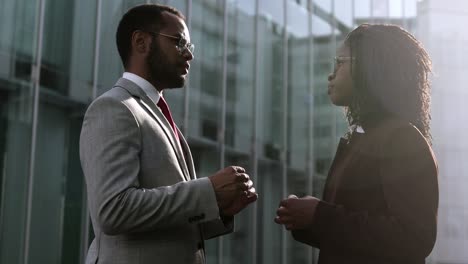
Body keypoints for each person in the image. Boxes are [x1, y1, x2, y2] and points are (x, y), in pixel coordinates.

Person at [79, 4, 257, 264]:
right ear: (141, 42)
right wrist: (207, 191)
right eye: (179, 42)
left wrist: (217, 206)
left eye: (189, 46)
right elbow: (113, 210)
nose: (189, 55)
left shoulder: (155, 112)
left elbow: (169, 222)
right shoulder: (114, 108)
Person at [275, 24, 438, 264]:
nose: (331, 74)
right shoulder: (364, 137)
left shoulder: (401, 138)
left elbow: (413, 237)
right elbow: (356, 238)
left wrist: (319, 215)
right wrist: (305, 220)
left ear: (370, 68)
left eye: (340, 62)